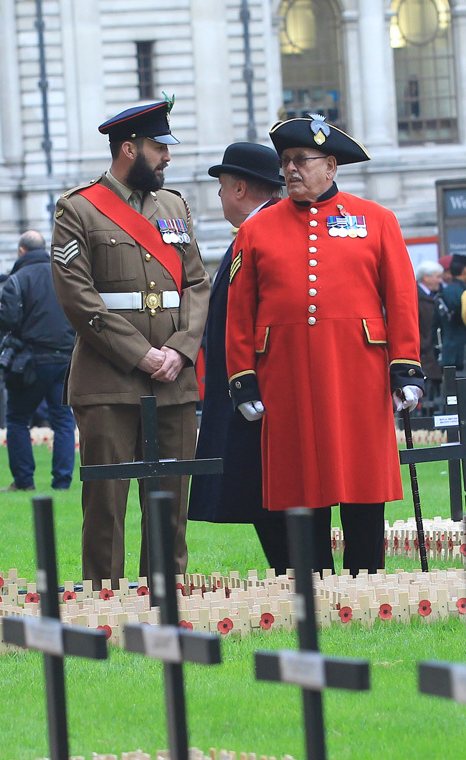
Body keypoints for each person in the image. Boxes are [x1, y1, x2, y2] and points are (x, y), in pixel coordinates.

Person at [225, 116, 424, 575]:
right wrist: (243, 380)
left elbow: (400, 298)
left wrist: (406, 368)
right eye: (285, 162)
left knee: (363, 484)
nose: (290, 170)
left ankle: (366, 578)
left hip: (359, 373)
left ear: (331, 166)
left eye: (301, 161)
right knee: (299, 484)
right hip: (286, 376)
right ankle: (311, 582)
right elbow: (239, 313)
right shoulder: (256, 230)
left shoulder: (377, 220)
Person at [51, 99, 209, 581]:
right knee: (107, 506)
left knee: (169, 505)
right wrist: (141, 355)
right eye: (158, 147)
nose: (166, 158)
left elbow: (198, 284)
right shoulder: (76, 209)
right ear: (128, 149)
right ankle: (106, 601)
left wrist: (181, 350)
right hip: (109, 381)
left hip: (173, 381)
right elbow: (79, 298)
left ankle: (165, 597)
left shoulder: (175, 205)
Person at [186, 141, 288, 573]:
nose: (222, 197)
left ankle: (294, 572)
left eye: (224, 187)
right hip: (247, 384)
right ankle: (290, 571)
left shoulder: (262, 233)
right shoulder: (254, 232)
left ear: (241, 188)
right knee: (259, 488)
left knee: (269, 488)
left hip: (260, 385)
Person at [0, 230, 76, 492]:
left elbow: (7, 321)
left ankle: (24, 480)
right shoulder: (64, 276)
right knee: (63, 420)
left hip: (29, 361)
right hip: (65, 357)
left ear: (21, 251)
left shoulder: (16, 280)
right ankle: (62, 481)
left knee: (18, 419)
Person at [437, 254, 466, 372]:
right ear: (465, 271)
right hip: (464, 354)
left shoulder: (442, 293)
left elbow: (435, 327)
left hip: (447, 354)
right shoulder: (464, 293)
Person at [415, 260, 444, 388]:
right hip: (423, 356)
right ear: (426, 277)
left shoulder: (435, 296)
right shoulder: (416, 297)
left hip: (432, 357)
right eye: (437, 277)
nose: (440, 281)